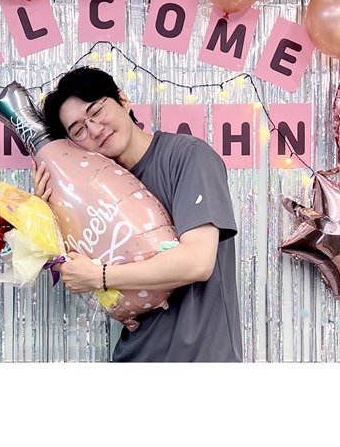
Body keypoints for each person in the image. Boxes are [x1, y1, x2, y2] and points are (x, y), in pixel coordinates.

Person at [33, 66, 242, 362]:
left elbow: (198, 262)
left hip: (199, 356)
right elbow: (80, 273)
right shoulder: (90, 192)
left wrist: (100, 276)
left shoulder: (188, 156)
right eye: (78, 130)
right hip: (134, 355)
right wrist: (49, 214)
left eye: (97, 111)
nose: (95, 130)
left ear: (123, 100)